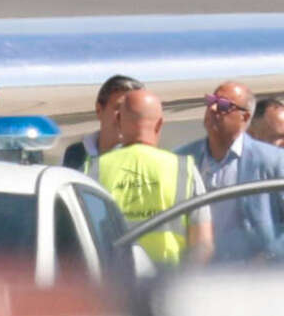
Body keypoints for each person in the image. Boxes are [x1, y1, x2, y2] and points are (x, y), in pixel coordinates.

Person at [87, 88, 213, 266]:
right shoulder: (183, 169)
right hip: (168, 282)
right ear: (159, 124)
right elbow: (203, 243)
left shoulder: (96, 168)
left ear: (118, 121)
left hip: (116, 283)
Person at [177, 81, 284, 263]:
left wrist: (270, 256)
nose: (213, 108)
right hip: (201, 277)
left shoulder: (272, 160)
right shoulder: (183, 159)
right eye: (211, 101)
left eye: (224, 105)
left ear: (245, 117)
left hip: (254, 279)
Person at [62, 75, 143, 170]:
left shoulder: (145, 161)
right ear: (99, 110)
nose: (126, 116)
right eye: (119, 108)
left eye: (133, 110)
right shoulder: (75, 154)